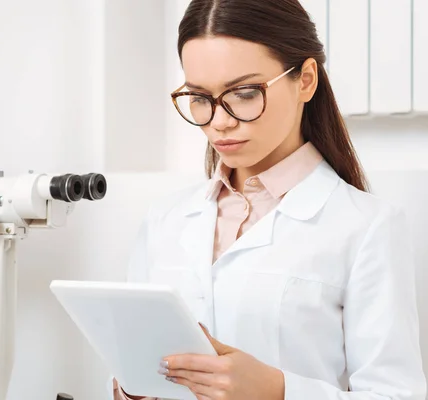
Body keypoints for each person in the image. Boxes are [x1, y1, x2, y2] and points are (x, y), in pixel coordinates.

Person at [112, 0, 427, 399]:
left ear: (306, 80)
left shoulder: (367, 227)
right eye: (199, 97)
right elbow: (137, 364)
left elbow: (396, 394)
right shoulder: (165, 220)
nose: (220, 121)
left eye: (244, 93)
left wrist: (278, 391)